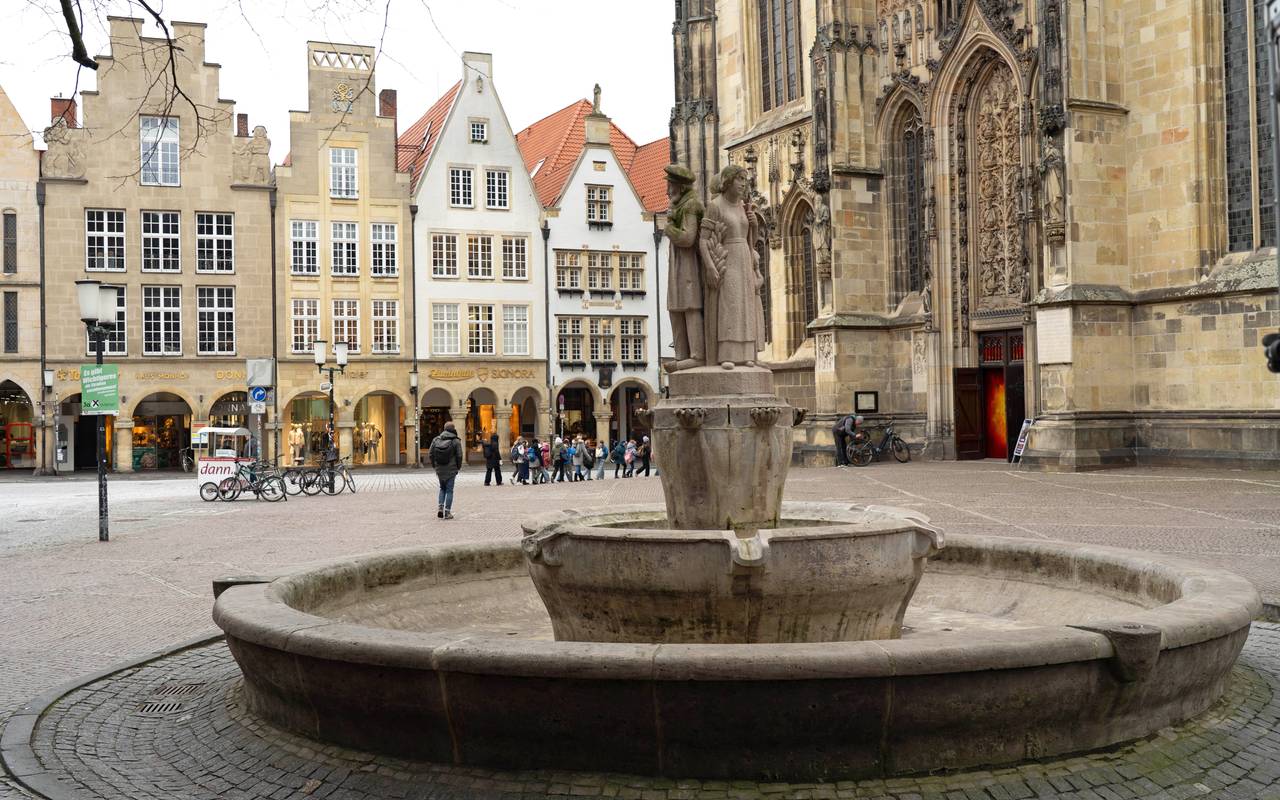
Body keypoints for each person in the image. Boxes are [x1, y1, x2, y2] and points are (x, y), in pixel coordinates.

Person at [428, 421, 463, 520]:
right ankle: (447, 512)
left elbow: (430, 454)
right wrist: (458, 467)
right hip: (451, 469)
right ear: (453, 429)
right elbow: (459, 456)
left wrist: (435, 466)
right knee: (449, 490)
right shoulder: (456, 441)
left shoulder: (436, 440)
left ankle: (440, 507)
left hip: (439, 469)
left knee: (442, 488)